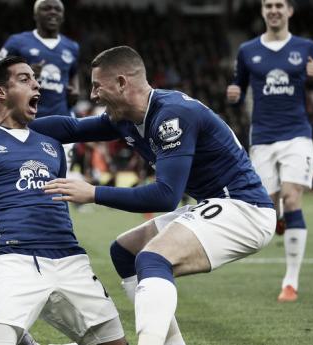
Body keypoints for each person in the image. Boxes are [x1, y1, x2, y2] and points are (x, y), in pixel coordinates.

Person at [29, 46, 276, 345]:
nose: (92, 95)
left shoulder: (172, 115)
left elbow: (165, 197)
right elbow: (71, 128)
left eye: (97, 86)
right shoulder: (126, 116)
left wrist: (93, 193)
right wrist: (6, 127)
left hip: (245, 209)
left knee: (152, 257)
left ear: (122, 83)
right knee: (125, 252)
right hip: (216, 204)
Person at [0, 56, 127, 345]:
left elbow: (110, 125)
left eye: (35, 79)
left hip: (70, 259)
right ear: (1, 92)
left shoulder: (50, 139)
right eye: (25, 79)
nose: (37, 84)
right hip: (14, 260)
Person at [226, 0, 313, 302]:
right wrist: (234, 96)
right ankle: (278, 219)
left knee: (292, 197)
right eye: (268, 5)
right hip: (261, 138)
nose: (273, 9)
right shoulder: (247, 50)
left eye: (279, 5)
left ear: (289, 11)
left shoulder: (306, 47)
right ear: (263, 11)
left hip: (296, 136)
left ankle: (290, 282)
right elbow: (237, 90)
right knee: (267, 210)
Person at [0, 0, 79, 168]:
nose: (52, 12)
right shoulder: (17, 42)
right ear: (35, 15)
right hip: (27, 122)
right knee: (30, 173)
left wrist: (75, 91)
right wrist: (23, 74)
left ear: (62, 16)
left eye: (57, 9)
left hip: (61, 121)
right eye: (46, 8)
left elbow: (73, 76)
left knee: (59, 179)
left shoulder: (72, 47)